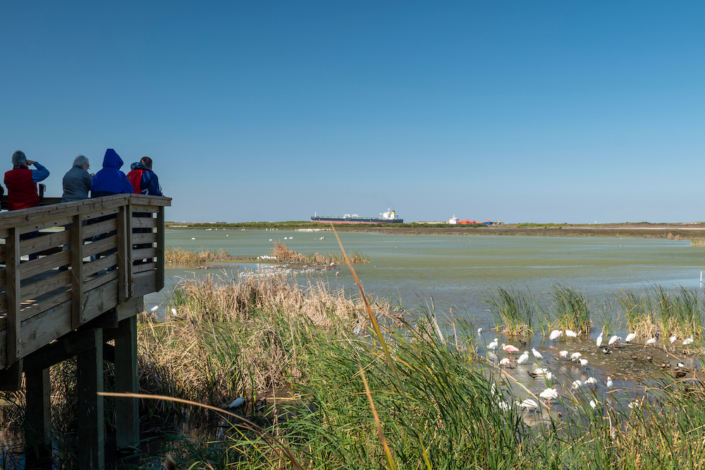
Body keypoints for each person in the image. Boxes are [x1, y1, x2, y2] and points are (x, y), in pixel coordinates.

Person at [89, 149, 133, 264]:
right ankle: (112, 266)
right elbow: (130, 190)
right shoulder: (120, 175)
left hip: (98, 212)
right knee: (115, 238)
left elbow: (92, 191)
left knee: (97, 238)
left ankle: (94, 266)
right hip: (114, 213)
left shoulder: (98, 174)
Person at [5, 151, 50, 260]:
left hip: (14, 212)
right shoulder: (31, 174)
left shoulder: (7, 175)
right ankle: (32, 265)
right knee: (32, 241)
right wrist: (34, 163)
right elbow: (46, 172)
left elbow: (7, 184)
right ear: (25, 161)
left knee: (15, 240)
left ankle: (15, 265)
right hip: (30, 212)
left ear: (13, 162)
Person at [59, 156, 94, 269]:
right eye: (88, 166)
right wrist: (91, 177)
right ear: (83, 164)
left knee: (68, 235)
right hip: (79, 207)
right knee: (80, 235)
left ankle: (63, 262)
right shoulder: (84, 174)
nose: (88, 168)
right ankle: (76, 263)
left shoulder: (68, 173)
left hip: (66, 206)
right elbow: (92, 186)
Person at [127, 156, 164, 262]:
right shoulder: (151, 175)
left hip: (130, 211)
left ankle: (131, 262)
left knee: (134, 237)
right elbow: (155, 193)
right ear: (151, 166)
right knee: (145, 237)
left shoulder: (131, 173)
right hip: (144, 211)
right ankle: (138, 264)